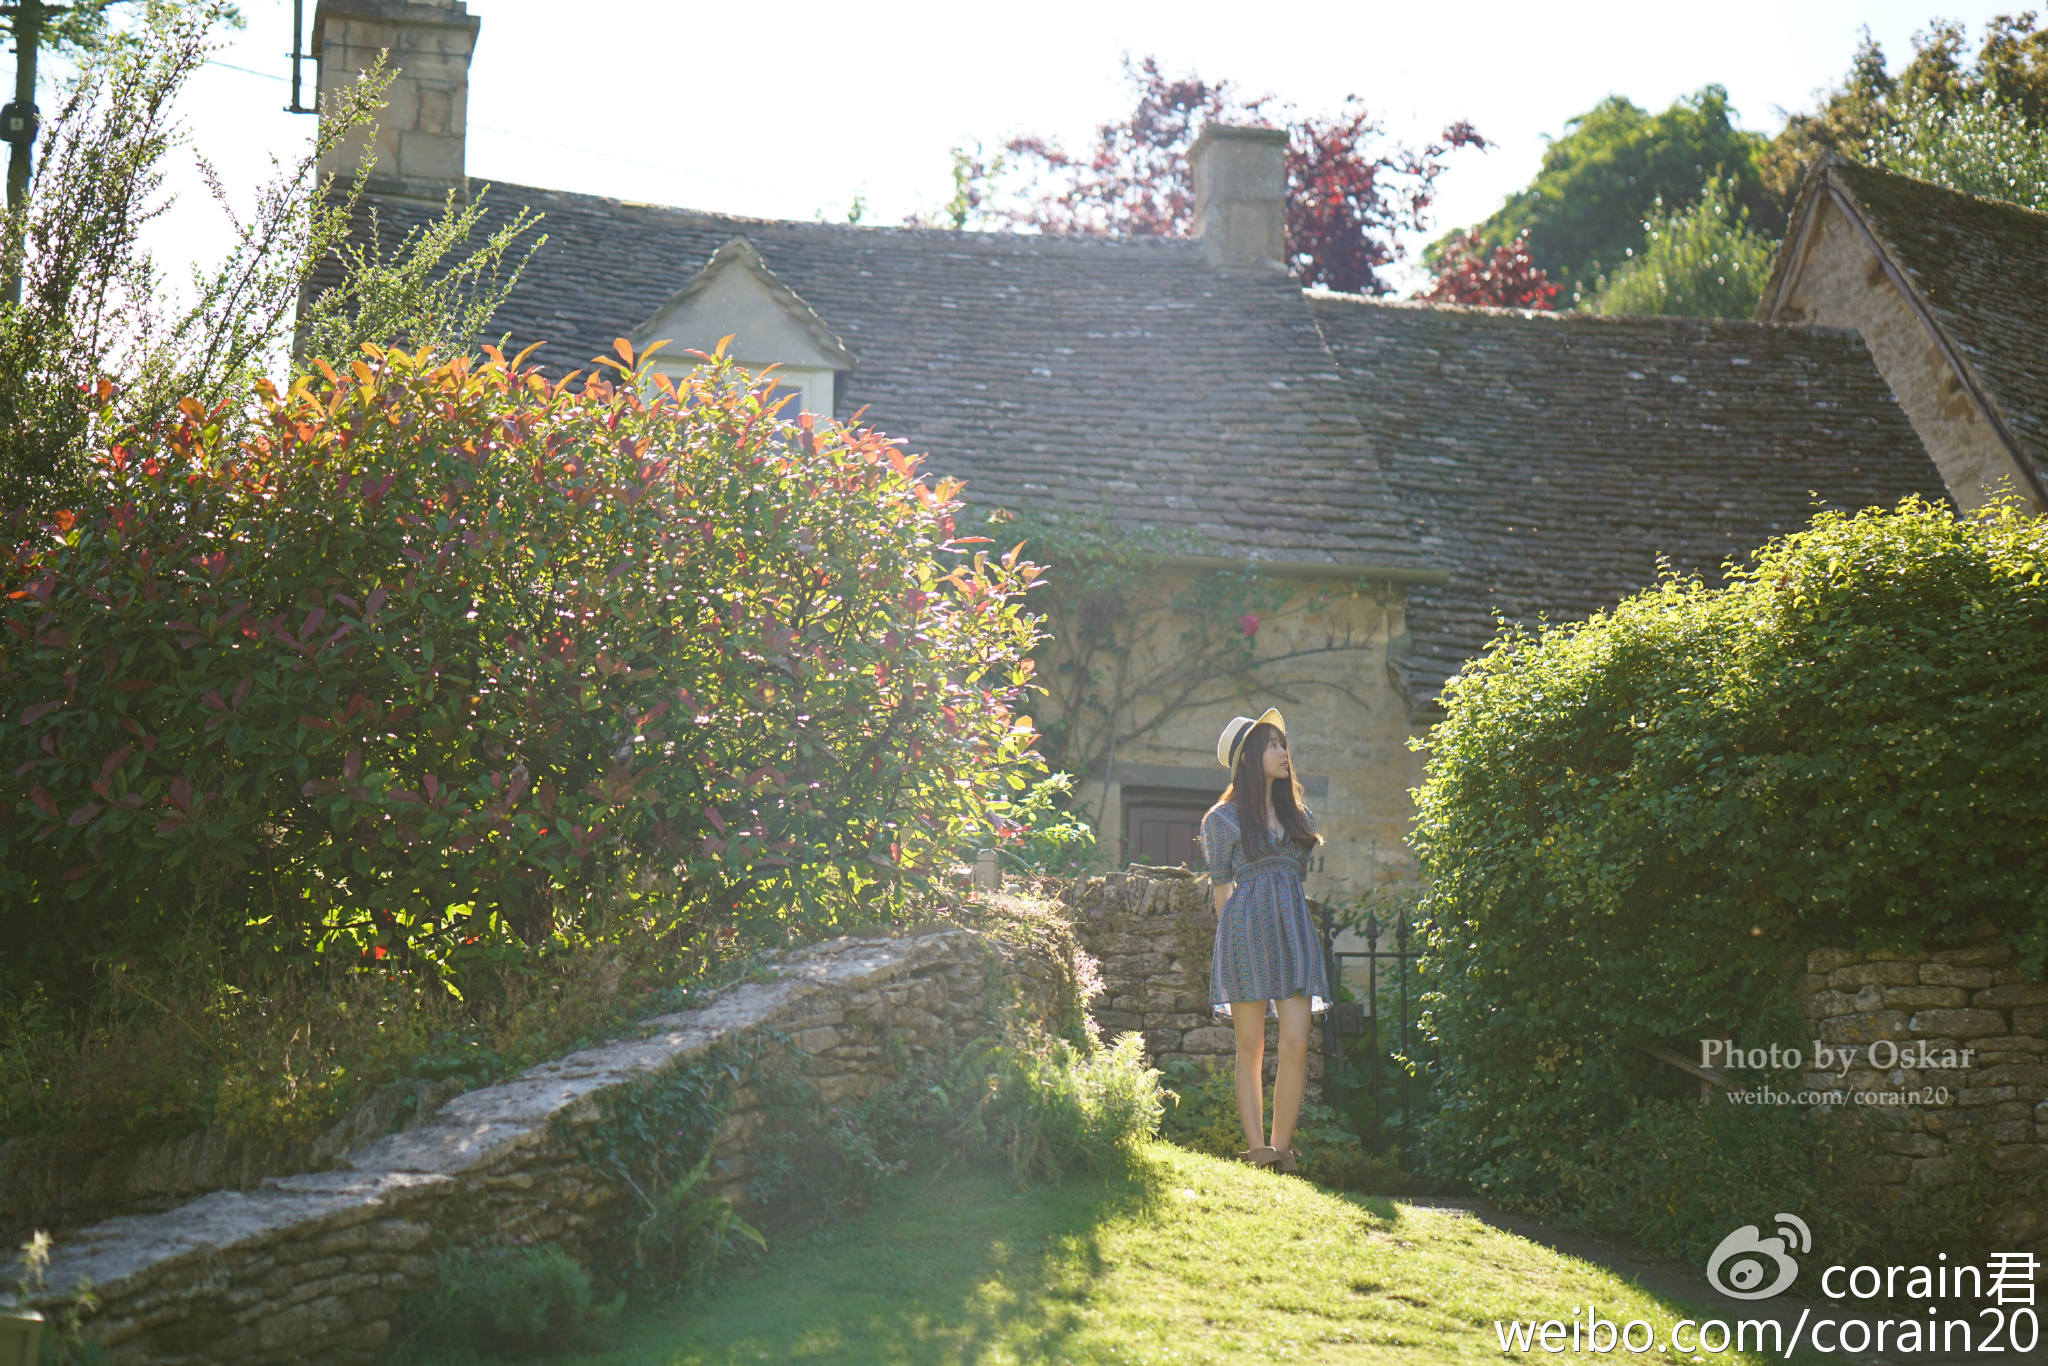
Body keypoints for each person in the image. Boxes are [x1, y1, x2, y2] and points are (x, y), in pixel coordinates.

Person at [1200, 709, 1328, 1173]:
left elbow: (1293, 884)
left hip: (1294, 936)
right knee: (1250, 1046)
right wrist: (1231, 946)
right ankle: (1257, 1149)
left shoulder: (1301, 816)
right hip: (1244, 937)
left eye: (1283, 743)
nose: (1283, 752)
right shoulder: (1222, 820)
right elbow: (1221, 891)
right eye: (1272, 745)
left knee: (1296, 1042)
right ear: (1250, 759)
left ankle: (1282, 1146)